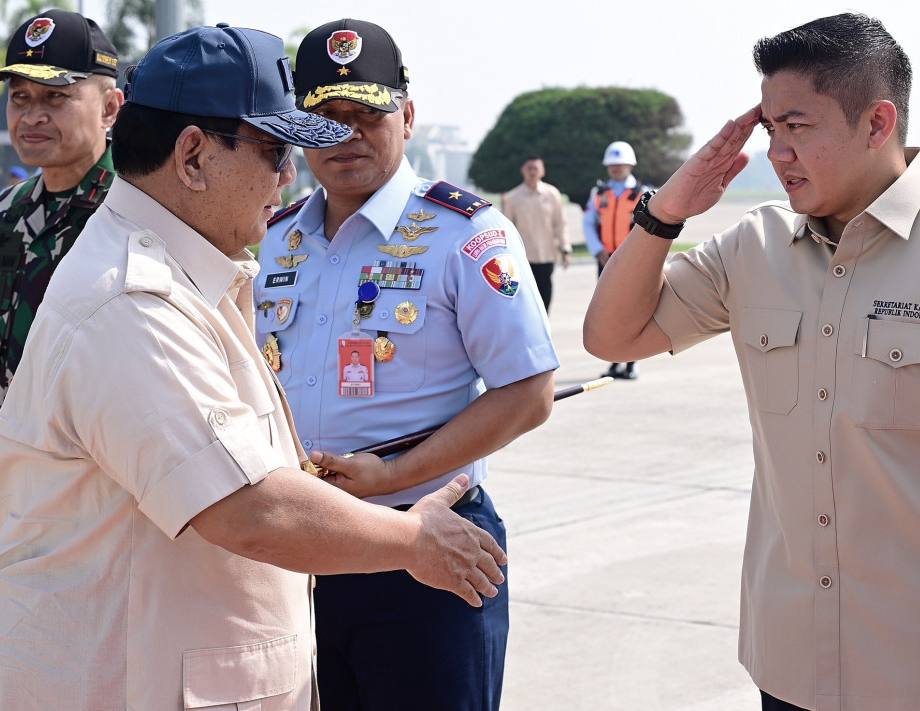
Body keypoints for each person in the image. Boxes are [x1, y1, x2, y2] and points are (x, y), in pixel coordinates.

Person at [0, 24, 507, 711]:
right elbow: (247, 508)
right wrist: (414, 539)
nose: (289, 175)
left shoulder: (179, 272)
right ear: (192, 155)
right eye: (274, 150)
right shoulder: (132, 302)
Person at [584, 14, 920, 711]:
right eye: (768, 129)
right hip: (791, 664)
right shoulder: (753, 250)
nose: (776, 152)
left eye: (796, 127)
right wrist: (666, 211)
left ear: (876, 122)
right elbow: (611, 338)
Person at [257, 19, 558, 711]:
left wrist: (393, 473)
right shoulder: (274, 238)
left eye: (367, 114)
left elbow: (528, 391)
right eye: (325, 119)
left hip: (424, 549)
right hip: (298, 555)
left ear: (408, 115)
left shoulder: (465, 234)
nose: (347, 135)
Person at [0, 8, 125, 559]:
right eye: (21, 98)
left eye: (56, 98)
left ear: (111, 108)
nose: (32, 116)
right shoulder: (7, 212)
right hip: (16, 479)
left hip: (102, 489)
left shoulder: (140, 212)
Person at [584, 140, 648, 379]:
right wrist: (596, 248)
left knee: (633, 311)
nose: (616, 168)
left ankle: (632, 361)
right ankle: (613, 361)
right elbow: (589, 222)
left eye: (620, 164)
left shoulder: (643, 193)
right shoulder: (599, 193)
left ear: (630, 165)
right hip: (605, 260)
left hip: (632, 262)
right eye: (612, 165)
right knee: (608, 312)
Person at [502, 155, 571, 312]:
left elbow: (561, 224)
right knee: (524, 299)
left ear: (542, 171)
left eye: (536, 168)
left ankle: (543, 329)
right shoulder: (513, 198)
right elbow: (507, 229)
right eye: (529, 168)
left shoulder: (552, 194)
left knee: (544, 297)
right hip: (522, 258)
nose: (532, 172)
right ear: (523, 171)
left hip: (546, 256)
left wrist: (565, 248)